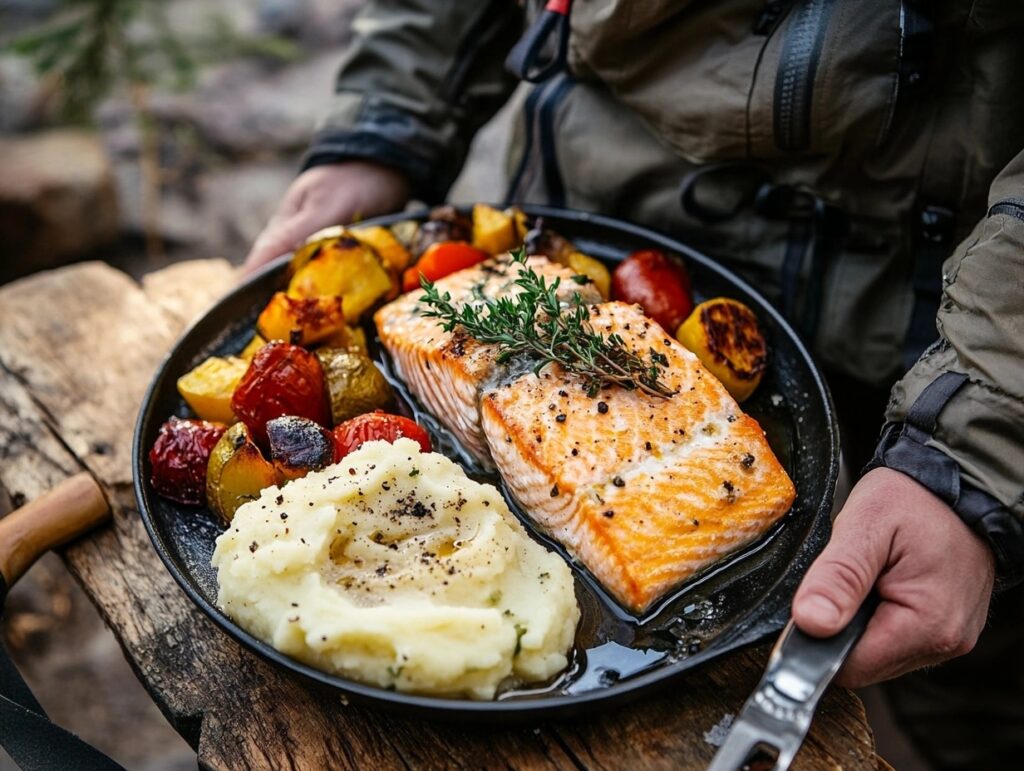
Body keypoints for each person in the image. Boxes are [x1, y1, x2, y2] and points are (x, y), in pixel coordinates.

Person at [245, 2, 1024, 765]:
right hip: (598, 191)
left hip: (947, 323)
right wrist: (384, 123)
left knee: (971, 684)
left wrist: (978, 444)